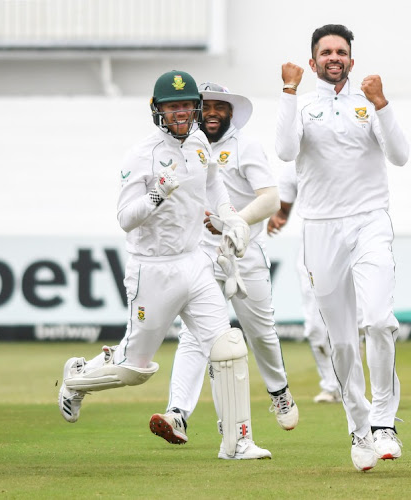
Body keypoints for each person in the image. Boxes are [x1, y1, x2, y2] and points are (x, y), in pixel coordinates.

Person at [57, 70, 260, 460]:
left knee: (227, 345)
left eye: (186, 105)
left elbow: (213, 182)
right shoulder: (141, 155)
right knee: (134, 369)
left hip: (194, 262)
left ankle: (238, 443)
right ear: (158, 110)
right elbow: (126, 218)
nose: (181, 113)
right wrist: (158, 192)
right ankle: (77, 377)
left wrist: (230, 216)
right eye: (172, 106)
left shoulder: (200, 140)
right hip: (152, 269)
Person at [276, 23, 409, 471]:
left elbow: (400, 156)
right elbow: (283, 149)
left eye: (342, 51)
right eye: (326, 52)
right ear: (313, 63)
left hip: (370, 221)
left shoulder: (367, 102)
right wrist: (288, 92)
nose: (335, 57)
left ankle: (384, 421)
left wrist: (382, 104)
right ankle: (358, 426)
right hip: (320, 228)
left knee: (378, 320)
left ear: (351, 59)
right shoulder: (302, 102)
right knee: (342, 341)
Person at [149, 83, 298, 459]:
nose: (212, 112)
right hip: (200, 256)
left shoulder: (245, 146)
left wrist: (234, 224)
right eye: (207, 106)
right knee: (195, 335)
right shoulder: (188, 148)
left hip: (244, 253)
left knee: (260, 332)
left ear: (231, 113)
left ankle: (278, 392)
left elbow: (269, 199)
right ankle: (178, 413)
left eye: (220, 107)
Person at [267, 162, 341, 404]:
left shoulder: (346, 153)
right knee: (315, 327)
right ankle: (331, 385)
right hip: (312, 246)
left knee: (362, 323)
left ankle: (367, 388)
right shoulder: (293, 167)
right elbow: (283, 210)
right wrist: (273, 219)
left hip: (353, 241)